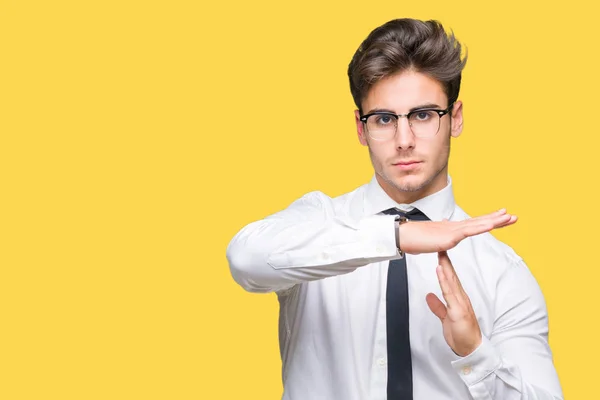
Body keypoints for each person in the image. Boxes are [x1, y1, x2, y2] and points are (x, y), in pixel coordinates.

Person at [225, 18, 563, 400]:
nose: (404, 140)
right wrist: (395, 236)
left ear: (456, 117)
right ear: (360, 127)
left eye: (422, 115)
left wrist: (475, 352)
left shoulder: (501, 272)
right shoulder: (320, 224)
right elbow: (245, 259)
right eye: (384, 119)